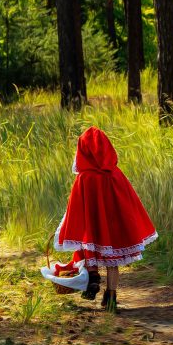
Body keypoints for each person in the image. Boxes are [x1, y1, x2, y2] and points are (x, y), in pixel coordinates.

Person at [53, 126, 157, 312]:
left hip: (92, 227)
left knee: (88, 248)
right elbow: (128, 201)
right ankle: (111, 297)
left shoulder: (84, 178)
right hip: (112, 227)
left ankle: (93, 277)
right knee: (112, 262)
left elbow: (76, 206)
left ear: (83, 150)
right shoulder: (115, 174)